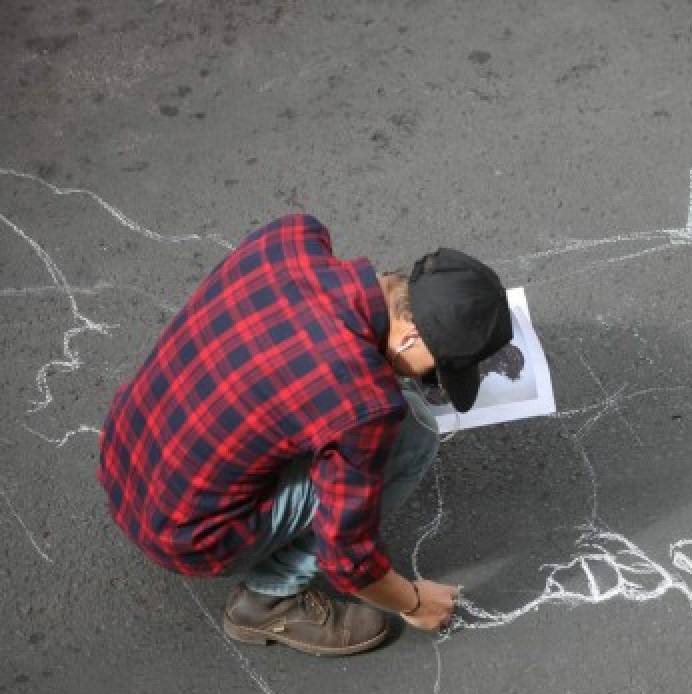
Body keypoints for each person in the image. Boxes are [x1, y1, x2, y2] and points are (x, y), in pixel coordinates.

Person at [96, 214, 511, 656]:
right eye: (435, 369)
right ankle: (270, 598)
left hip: (125, 454)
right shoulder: (363, 403)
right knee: (413, 437)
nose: (431, 380)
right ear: (409, 338)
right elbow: (348, 557)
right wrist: (413, 601)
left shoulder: (291, 238)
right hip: (185, 534)